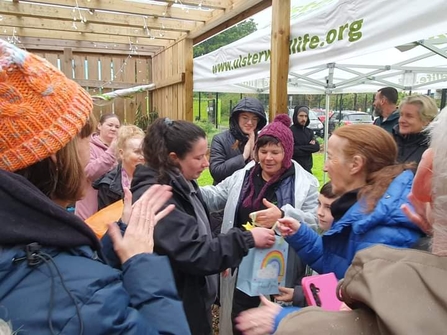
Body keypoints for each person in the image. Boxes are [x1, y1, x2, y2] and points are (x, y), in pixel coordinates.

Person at [0, 40, 189, 334]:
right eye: (86, 139)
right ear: (54, 152)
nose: (95, 150)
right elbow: (82, 298)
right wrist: (142, 263)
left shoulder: (23, 243)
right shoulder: (73, 296)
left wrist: (117, 242)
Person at [234, 124, 427, 335]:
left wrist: (282, 318)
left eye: (331, 157)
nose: (325, 167)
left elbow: (364, 320)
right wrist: (300, 234)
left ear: (355, 164)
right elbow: (339, 264)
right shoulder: (366, 208)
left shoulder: (383, 229)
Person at [129, 117, 276, 335]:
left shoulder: (182, 182)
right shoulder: (158, 197)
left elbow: (198, 234)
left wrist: (220, 253)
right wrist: (246, 238)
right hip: (178, 310)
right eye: (198, 157)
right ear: (173, 158)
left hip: (192, 301)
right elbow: (194, 251)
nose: (206, 163)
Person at [201, 114, 319, 335]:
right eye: (263, 152)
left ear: (287, 152)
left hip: (282, 269)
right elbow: (216, 195)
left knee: (277, 323)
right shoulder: (243, 176)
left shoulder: (305, 183)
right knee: (241, 319)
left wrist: (284, 215)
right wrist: (186, 188)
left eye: (275, 152)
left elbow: (316, 223)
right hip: (244, 263)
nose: (268, 158)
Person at [275, 182, 337, 307]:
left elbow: (336, 295)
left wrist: (299, 295)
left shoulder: (342, 246)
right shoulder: (325, 234)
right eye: (319, 204)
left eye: (329, 207)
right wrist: (300, 293)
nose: (320, 212)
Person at [209, 97, 267, 185]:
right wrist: (243, 156)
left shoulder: (262, 140)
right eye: (245, 118)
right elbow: (216, 172)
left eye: (254, 119)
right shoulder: (220, 139)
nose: (250, 123)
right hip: (226, 195)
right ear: (237, 118)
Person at [75, 113, 120, 220]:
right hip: (90, 208)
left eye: (117, 127)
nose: (113, 129)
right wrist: (111, 151)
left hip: (110, 208)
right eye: (110, 125)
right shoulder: (88, 145)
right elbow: (89, 172)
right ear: (99, 126)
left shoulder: (120, 151)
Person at [94, 125, 145, 210]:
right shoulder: (107, 185)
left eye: (145, 151)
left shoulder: (156, 178)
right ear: (121, 153)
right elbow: (105, 220)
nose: (143, 156)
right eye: (137, 152)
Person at [393, 94, 437, 165]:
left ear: (427, 120)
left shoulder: (434, 149)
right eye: (401, 115)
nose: (401, 120)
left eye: (409, 116)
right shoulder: (392, 141)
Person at [290, 105, 320, 173]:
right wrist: (308, 148)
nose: (303, 119)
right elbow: (292, 150)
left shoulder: (309, 132)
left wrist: (299, 148)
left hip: (307, 170)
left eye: (306, 116)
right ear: (296, 116)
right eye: (301, 116)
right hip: (294, 170)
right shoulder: (290, 131)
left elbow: (316, 147)